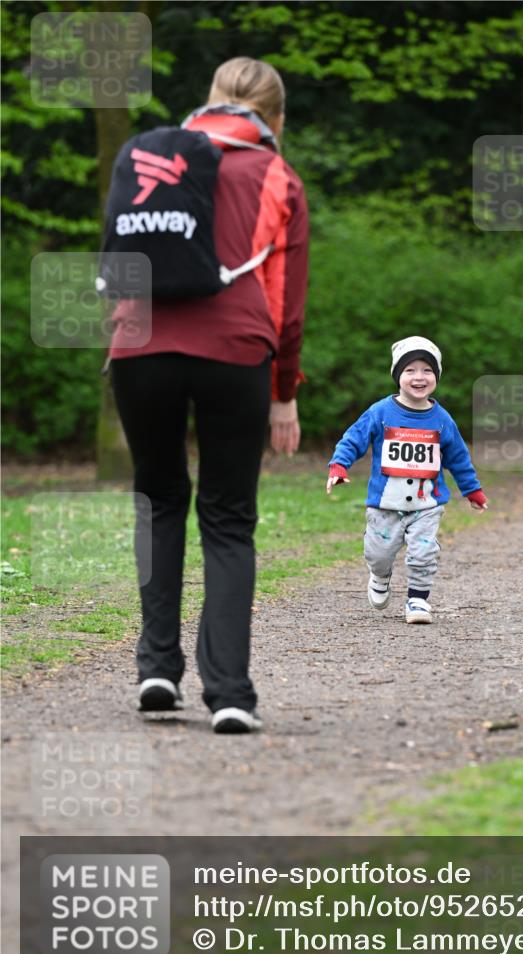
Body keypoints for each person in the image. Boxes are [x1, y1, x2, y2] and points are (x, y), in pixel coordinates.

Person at [108, 57, 308, 733]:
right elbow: (286, 304)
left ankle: (156, 669)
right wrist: (284, 393)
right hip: (235, 350)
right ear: (274, 118)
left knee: (160, 497)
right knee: (227, 518)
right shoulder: (276, 173)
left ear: (208, 102)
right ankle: (229, 695)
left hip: (139, 344)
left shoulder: (152, 159)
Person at [326, 336, 487, 624]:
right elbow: (353, 440)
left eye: (427, 370)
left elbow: (458, 458)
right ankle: (379, 575)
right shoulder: (380, 412)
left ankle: (418, 600)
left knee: (423, 552)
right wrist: (339, 467)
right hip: (385, 503)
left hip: (427, 503)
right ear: (397, 375)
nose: (419, 377)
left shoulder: (442, 420)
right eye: (410, 370)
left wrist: (472, 490)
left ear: (436, 376)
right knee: (379, 554)